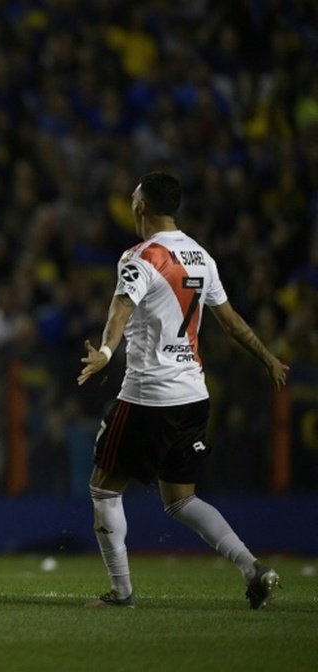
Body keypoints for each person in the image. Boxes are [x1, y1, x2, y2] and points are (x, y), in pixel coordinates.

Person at [77, 172, 289, 609]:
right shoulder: (201, 257)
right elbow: (231, 323)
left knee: (103, 489)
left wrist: (104, 351)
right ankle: (253, 568)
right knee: (181, 500)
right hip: (194, 394)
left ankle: (122, 594)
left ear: (141, 208)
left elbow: (120, 308)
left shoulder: (141, 256)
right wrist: (267, 357)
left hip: (148, 395)